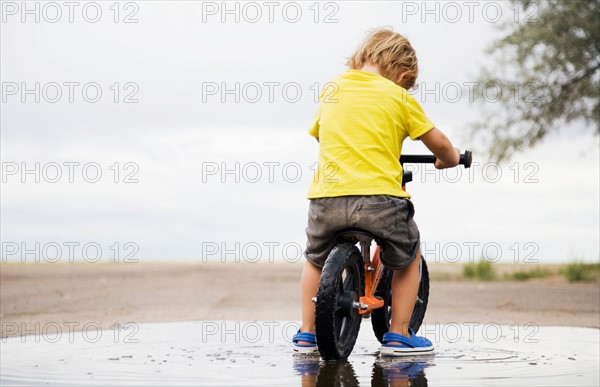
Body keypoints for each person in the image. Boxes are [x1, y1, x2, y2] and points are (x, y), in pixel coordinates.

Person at [292, 28, 461, 356]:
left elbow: (319, 135)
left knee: (315, 260)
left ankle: (308, 333)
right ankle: (399, 334)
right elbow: (438, 142)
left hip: (326, 199)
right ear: (402, 75)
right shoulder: (398, 96)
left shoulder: (333, 89)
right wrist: (448, 159)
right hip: (379, 202)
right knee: (410, 255)